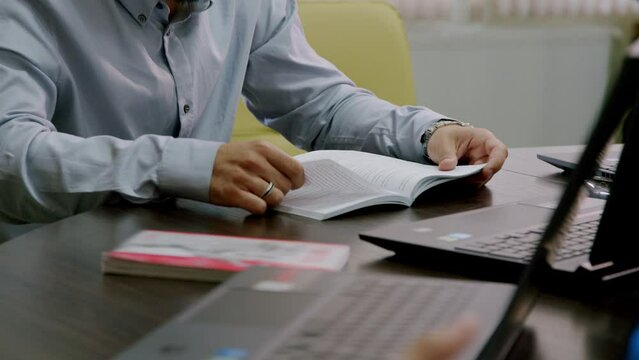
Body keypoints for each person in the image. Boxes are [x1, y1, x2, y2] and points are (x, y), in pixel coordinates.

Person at [0, 0, 507, 224]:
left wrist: (429, 131)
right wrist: (183, 165)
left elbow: (318, 103)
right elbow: (11, 156)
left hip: (196, 259)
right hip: (49, 272)